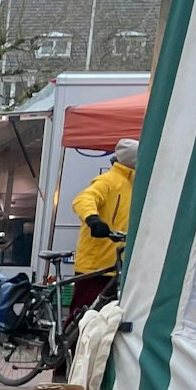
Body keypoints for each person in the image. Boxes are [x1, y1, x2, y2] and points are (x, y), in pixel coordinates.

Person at [67, 137, 137, 327]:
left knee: (106, 319)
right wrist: (93, 220)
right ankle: (62, 353)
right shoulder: (109, 180)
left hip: (118, 264)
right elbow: (83, 199)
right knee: (82, 316)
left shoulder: (135, 185)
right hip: (96, 264)